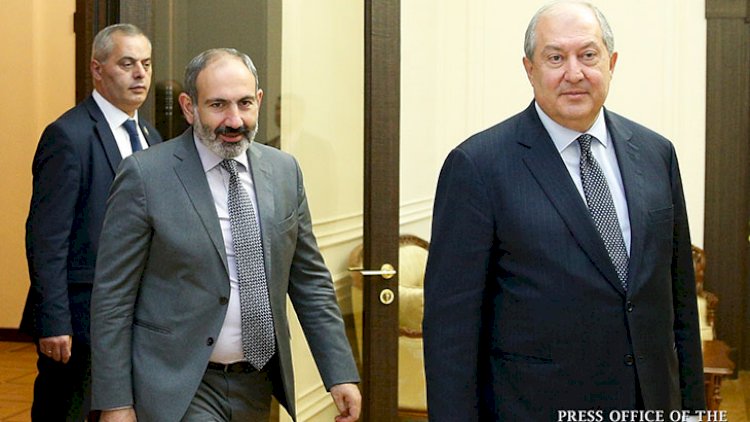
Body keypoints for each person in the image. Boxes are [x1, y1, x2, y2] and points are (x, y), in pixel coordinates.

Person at [422, 1, 705, 421]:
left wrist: (693, 410)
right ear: (529, 69)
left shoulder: (656, 153)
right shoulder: (478, 166)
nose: (574, 73)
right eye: (555, 58)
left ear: (611, 63)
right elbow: (450, 331)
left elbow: (679, 301)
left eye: (588, 55)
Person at [90, 48, 361, 422]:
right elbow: (113, 297)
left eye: (244, 103)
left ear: (259, 101)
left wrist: (339, 372)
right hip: (179, 385)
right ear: (189, 107)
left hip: (257, 383)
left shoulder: (285, 171)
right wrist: (116, 402)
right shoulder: (145, 175)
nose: (234, 120)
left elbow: (310, 282)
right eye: (218, 105)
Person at [20, 23, 161, 421]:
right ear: (97, 70)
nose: (140, 74)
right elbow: (47, 238)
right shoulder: (68, 135)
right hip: (79, 320)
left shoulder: (150, 135)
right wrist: (54, 320)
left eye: (146, 64)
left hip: (135, 316)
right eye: (127, 64)